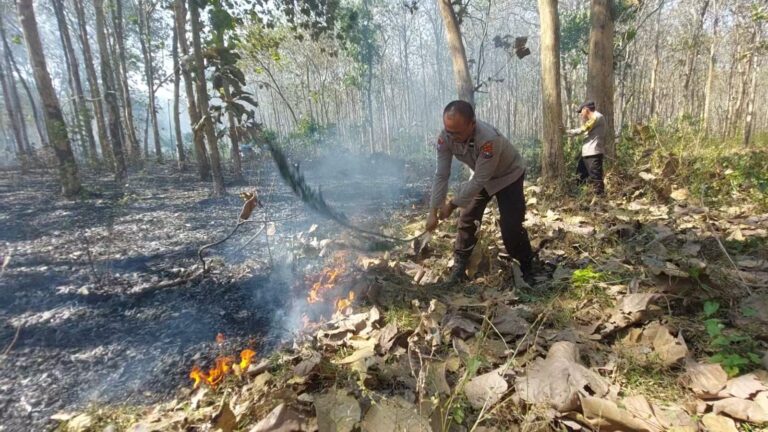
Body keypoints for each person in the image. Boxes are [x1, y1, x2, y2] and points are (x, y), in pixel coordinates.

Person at [426, 100, 533, 283]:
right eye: (448, 131)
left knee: (510, 225)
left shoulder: (489, 139)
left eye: (457, 133)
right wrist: (433, 211)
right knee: (467, 218)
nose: (451, 136)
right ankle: (460, 266)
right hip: (482, 175)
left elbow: (479, 180)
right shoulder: (445, 138)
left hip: (508, 176)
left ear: (472, 124)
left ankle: (526, 266)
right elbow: (442, 174)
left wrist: (451, 205)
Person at [566, 101, 605, 195]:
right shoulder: (593, 118)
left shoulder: (597, 117)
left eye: (581, 112)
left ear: (586, 109)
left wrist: (566, 131)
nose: (581, 114)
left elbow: (583, 129)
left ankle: (600, 199)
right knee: (580, 175)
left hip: (594, 153)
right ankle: (579, 196)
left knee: (596, 177)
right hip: (587, 153)